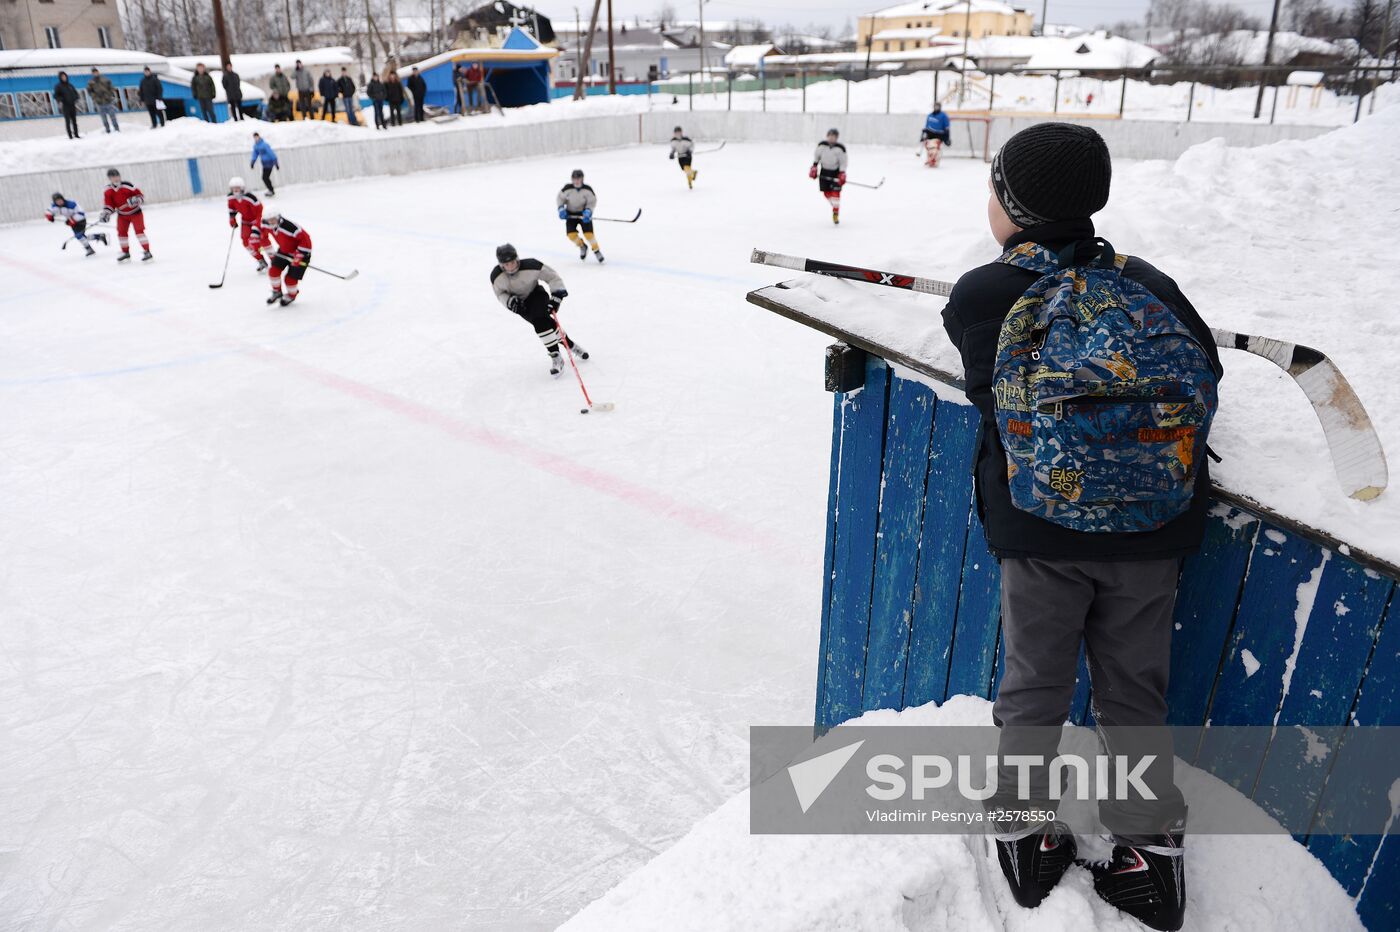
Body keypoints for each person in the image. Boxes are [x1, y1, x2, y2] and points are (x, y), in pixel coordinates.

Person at [940, 122, 1223, 932]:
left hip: (1041, 533)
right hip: (1153, 529)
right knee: (1135, 693)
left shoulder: (985, 294)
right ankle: (1149, 859)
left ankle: (1028, 836)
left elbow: (988, 394)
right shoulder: (1153, 285)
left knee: (1034, 690)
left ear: (1013, 206)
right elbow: (1203, 375)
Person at [490, 243, 589, 377]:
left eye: (513, 262)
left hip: (536, 295)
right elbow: (500, 293)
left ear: (517, 259)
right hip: (521, 305)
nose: (511, 266)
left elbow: (552, 277)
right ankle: (570, 344)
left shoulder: (532, 265)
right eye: (506, 264)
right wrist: (509, 301)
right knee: (546, 323)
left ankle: (556, 358)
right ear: (501, 265)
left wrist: (557, 296)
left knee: (540, 323)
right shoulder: (496, 276)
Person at [99, 167, 151, 262]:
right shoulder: (108, 190)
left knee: (139, 232)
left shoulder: (128, 185)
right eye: (113, 177)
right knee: (121, 234)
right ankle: (125, 253)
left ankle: (147, 251)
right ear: (109, 179)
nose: (116, 178)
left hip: (135, 213)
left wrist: (135, 200)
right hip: (122, 215)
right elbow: (109, 204)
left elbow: (141, 196)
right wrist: (106, 213)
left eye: (117, 176)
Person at [260, 209, 311, 306]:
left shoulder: (290, 227)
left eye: (273, 219)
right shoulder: (265, 224)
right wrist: (270, 251)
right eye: (269, 219)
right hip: (284, 251)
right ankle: (277, 292)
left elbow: (306, 241)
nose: (271, 222)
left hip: (302, 254)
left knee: (290, 279)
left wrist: (299, 256)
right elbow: (263, 236)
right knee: (273, 271)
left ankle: (292, 295)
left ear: (278, 217)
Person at [556, 169, 603, 263]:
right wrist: (561, 209)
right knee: (571, 235)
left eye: (579, 179)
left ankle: (596, 250)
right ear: (572, 179)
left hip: (584, 214)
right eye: (575, 179)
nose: (576, 181)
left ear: (582, 179)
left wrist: (588, 212)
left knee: (589, 235)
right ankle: (582, 246)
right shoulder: (567, 188)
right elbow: (560, 199)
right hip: (570, 214)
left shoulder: (587, 189)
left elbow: (592, 202)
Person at [46, 192, 106, 257]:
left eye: (60, 200)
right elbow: (48, 211)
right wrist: (49, 216)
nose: (59, 202)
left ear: (63, 199)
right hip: (72, 223)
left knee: (79, 236)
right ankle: (98, 237)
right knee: (81, 236)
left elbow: (81, 214)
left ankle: (90, 249)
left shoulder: (71, 204)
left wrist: (72, 220)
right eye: (57, 201)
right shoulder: (55, 206)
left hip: (80, 221)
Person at [226, 176, 267, 272]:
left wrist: (257, 225)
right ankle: (260, 260)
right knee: (246, 242)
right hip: (245, 222)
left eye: (237, 188)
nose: (235, 190)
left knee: (257, 242)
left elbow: (259, 212)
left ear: (242, 188)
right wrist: (232, 218)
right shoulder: (231, 197)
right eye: (233, 188)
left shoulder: (250, 198)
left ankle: (273, 259)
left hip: (257, 221)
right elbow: (232, 208)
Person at [809, 127, 847, 224]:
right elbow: (816, 157)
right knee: (826, 193)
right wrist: (814, 167)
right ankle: (834, 205)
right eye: (830, 136)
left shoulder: (840, 148)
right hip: (824, 172)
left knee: (836, 195)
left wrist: (842, 173)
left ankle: (835, 213)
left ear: (837, 138)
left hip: (835, 173)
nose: (831, 138)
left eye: (834, 136)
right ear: (827, 136)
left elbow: (843, 162)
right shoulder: (822, 146)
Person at [88, 68, 120, 133]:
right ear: (92, 74)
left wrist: (109, 95)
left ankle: (117, 129)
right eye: (94, 73)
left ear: (98, 72)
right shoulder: (91, 82)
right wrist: (95, 98)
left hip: (108, 101)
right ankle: (107, 130)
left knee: (113, 117)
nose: (95, 74)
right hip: (99, 103)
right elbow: (90, 92)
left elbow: (111, 88)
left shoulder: (105, 79)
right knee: (104, 119)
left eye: (96, 72)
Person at [54, 72, 80, 140]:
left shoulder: (70, 85)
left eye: (65, 76)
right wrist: (61, 100)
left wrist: (76, 98)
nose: (64, 78)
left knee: (74, 121)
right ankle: (70, 136)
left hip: (72, 105)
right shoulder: (58, 86)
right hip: (65, 106)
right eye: (62, 77)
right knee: (68, 121)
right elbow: (56, 95)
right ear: (60, 78)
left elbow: (75, 93)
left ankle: (76, 134)